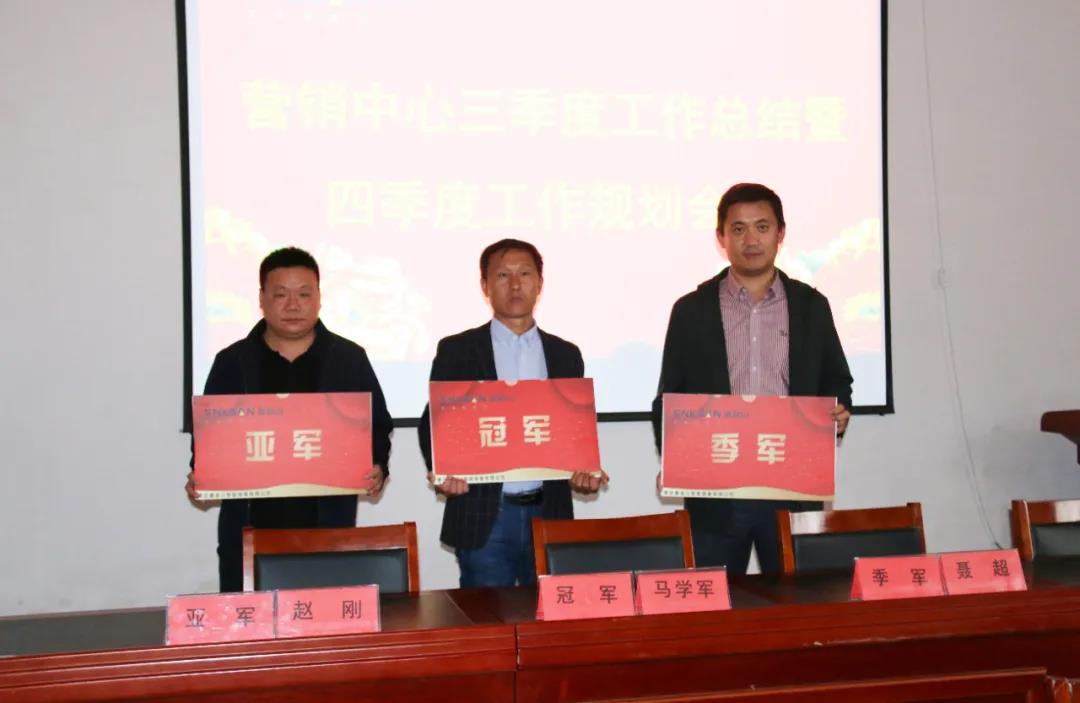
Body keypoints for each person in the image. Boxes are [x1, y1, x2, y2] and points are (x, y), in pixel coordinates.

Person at [652, 183, 853, 575]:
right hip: (716, 493)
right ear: (721, 238)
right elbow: (669, 397)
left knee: (800, 601)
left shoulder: (812, 306)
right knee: (714, 602)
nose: (751, 240)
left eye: (762, 227)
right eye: (738, 229)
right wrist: (676, 459)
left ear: (780, 234)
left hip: (793, 487)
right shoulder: (692, 311)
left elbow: (836, 380)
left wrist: (838, 412)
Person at [186, 246, 393, 592]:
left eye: (304, 294)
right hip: (249, 529)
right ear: (262, 299)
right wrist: (203, 475)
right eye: (281, 294)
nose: (293, 305)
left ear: (319, 298)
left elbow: (377, 427)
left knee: (325, 617)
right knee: (248, 621)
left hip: (327, 526)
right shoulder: (232, 362)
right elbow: (209, 438)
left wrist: (377, 467)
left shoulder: (348, 359)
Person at [418, 238, 607, 587]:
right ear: (485, 286)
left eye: (525, 274)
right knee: (488, 615)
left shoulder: (566, 354)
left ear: (540, 283)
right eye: (503, 275)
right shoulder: (458, 350)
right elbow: (434, 422)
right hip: (483, 514)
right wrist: (443, 471)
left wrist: (585, 470)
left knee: (550, 613)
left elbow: (573, 432)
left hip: (548, 512)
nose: (515, 284)